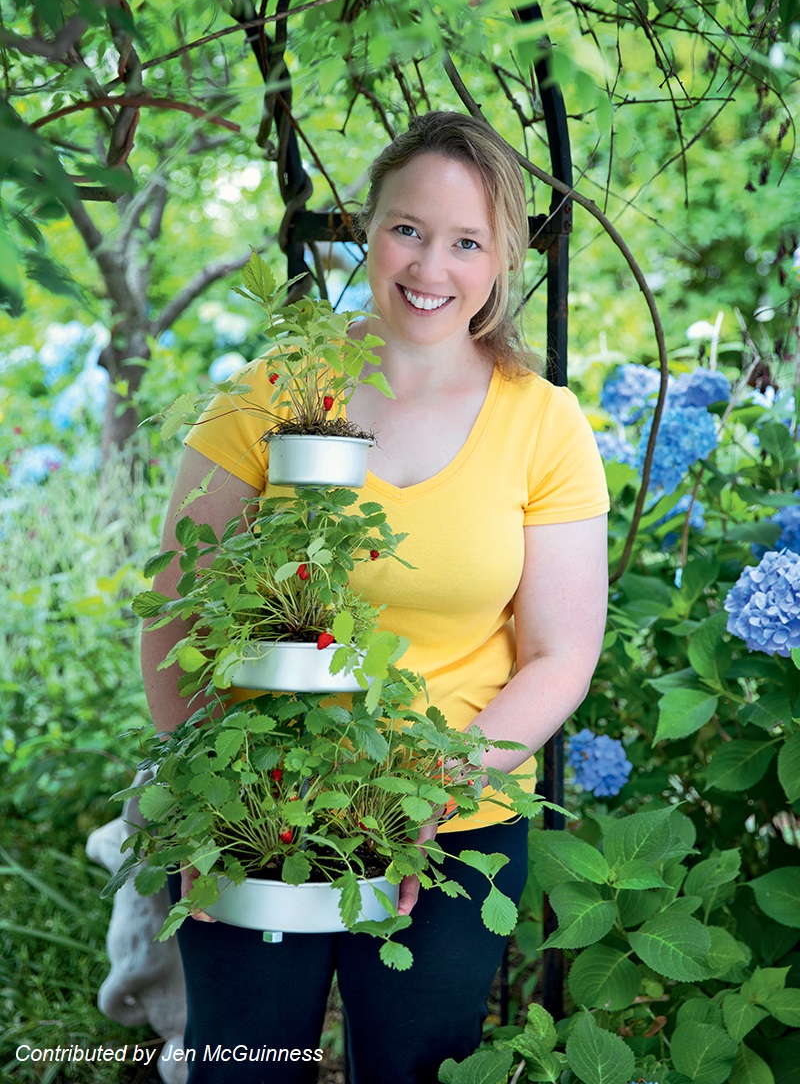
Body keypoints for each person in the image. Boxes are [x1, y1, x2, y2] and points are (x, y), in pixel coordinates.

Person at [141, 111, 609, 1083]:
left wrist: (432, 803)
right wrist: (203, 802)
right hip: (260, 811)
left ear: (501, 260)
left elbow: (559, 653)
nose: (429, 267)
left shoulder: (541, 424)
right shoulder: (279, 391)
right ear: (368, 228)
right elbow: (174, 601)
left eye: (465, 242)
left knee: (413, 1072)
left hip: (452, 829)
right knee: (245, 1069)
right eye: (407, 229)